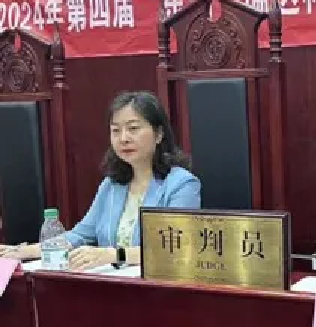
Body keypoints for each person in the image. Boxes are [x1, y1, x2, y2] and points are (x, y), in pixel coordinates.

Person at [0, 91, 200, 271]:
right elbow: (80, 235)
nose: (123, 138)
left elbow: (174, 249)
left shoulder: (181, 184)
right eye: (116, 130)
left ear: (159, 134)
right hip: (112, 285)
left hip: (159, 289)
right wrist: (23, 251)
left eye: (133, 128)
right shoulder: (112, 185)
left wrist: (114, 255)